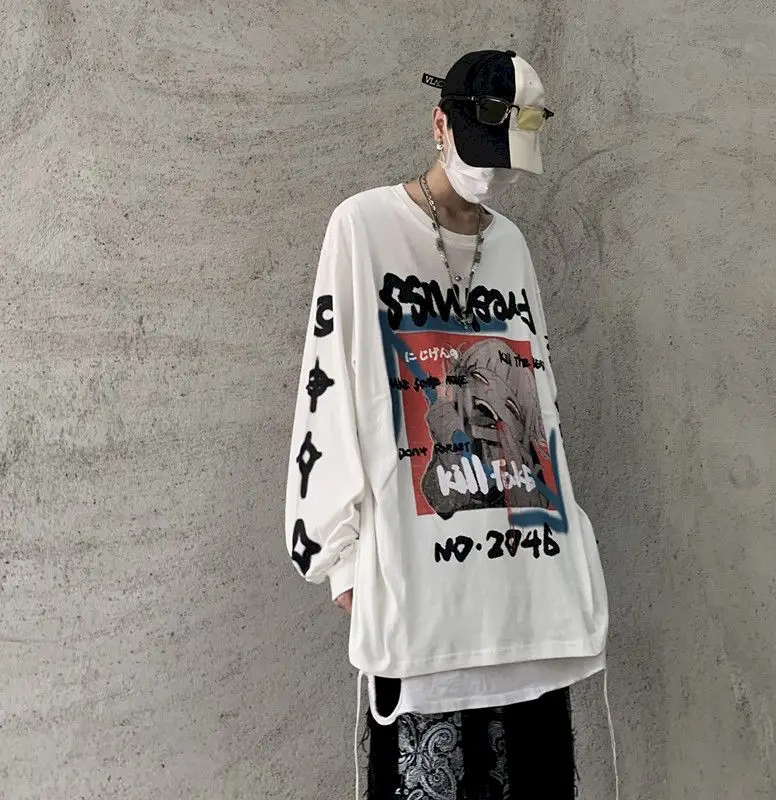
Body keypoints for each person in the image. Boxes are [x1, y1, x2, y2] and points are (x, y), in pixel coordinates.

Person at [285, 49, 613, 799]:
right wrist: (337, 559)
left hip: (522, 583)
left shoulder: (511, 246)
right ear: (439, 124)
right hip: (420, 590)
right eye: (479, 151)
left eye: (506, 159)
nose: (491, 175)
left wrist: (570, 547)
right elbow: (327, 386)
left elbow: (541, 402)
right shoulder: (364, 226)